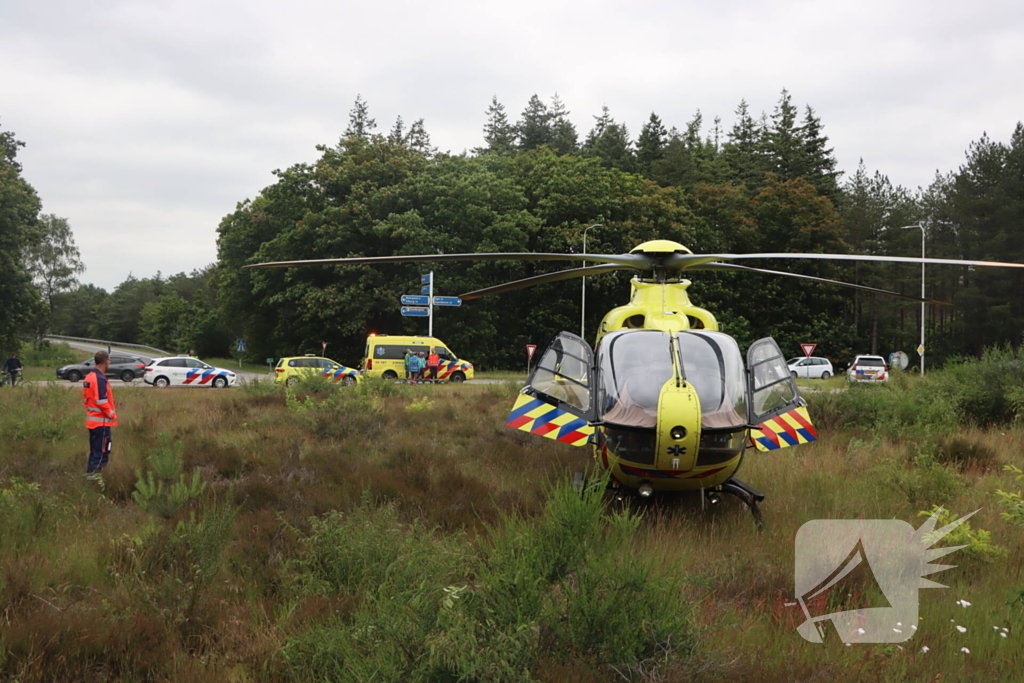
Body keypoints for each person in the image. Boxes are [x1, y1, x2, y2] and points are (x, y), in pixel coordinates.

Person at [83, 351, 118, 474]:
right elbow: (101, 400)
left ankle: (91, 476)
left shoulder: (90, 376)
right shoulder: (98, 378)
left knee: (95, 452)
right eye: (109, 360)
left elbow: (86, 399)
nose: (110, 362)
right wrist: (111, 415)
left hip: (93, 421)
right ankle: (94, 479)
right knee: (101, 453)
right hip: (101, 422)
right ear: (105, 361)